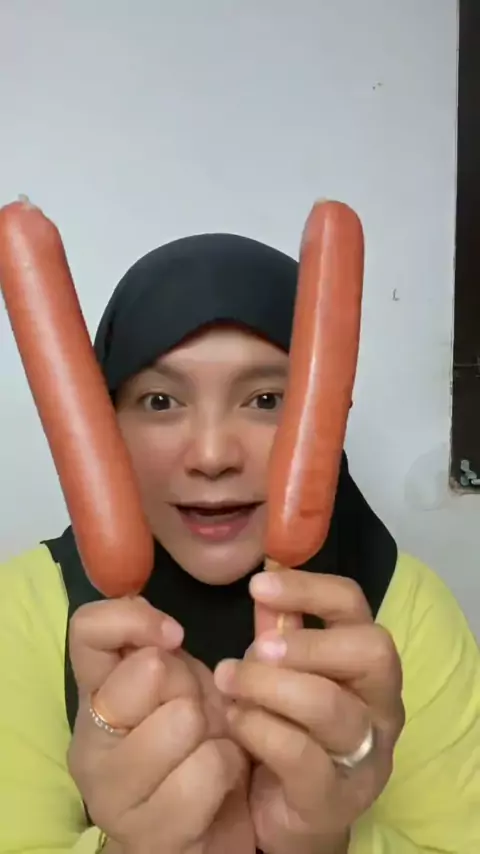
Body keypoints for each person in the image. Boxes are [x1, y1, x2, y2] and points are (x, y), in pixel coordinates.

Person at [0, 232, 478, 854]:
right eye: (160, 401)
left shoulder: (404, 605)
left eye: (266, 399)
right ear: (102, 423)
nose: (212, 455)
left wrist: (321, 840)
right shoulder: (22, 608)